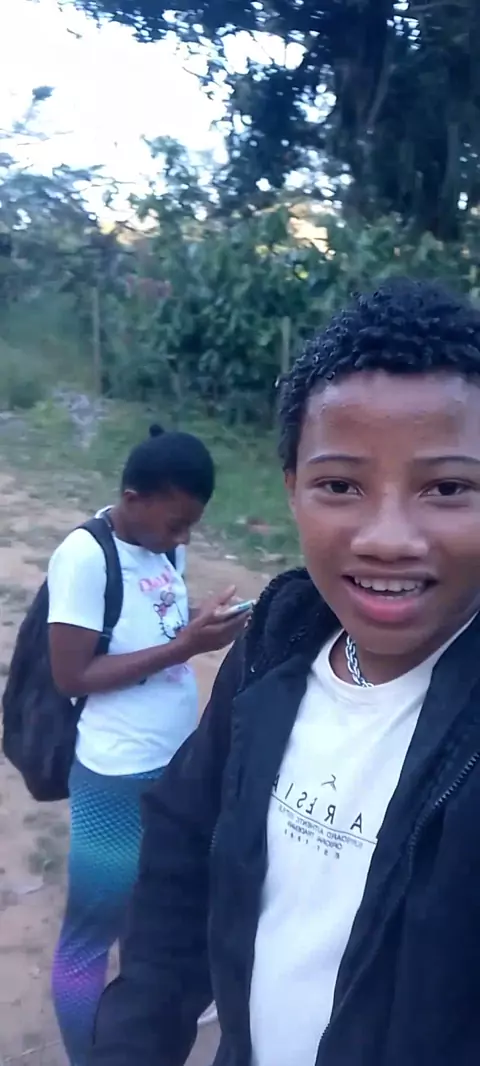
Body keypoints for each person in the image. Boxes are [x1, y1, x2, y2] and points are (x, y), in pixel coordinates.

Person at [90, 279, 480, 1066]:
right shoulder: (278, 639)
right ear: (293, 492)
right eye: (340, 486)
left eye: (447, 488)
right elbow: (181, 855)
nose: (387, 538)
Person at [48, 424, 246, 1066]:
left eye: (191, 526)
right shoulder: (85, 557)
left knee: (160, 908)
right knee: (90, 936)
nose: (182, 539)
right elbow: (72, 675)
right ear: (133, 499)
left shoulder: (162, 550)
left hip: (173, 764)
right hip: (115, 775)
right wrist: (186, 646)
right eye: (175, 524)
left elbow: (156, 634)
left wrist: (197, 628)